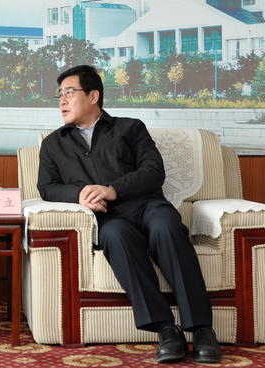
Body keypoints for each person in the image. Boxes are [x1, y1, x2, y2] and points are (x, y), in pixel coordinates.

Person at [37, 65, 221, 364]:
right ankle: (166, 330)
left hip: (148, 206)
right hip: (108, 218)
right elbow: (47, 187)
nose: (62, 100)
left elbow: (153, 171)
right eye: (59, 95)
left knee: (166, 227)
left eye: (69, 92)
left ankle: (201, 329)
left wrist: (113, 189)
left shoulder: (130, 128)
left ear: (93, 96)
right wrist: (80, 195)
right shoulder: (53, 144)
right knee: (115, 236)